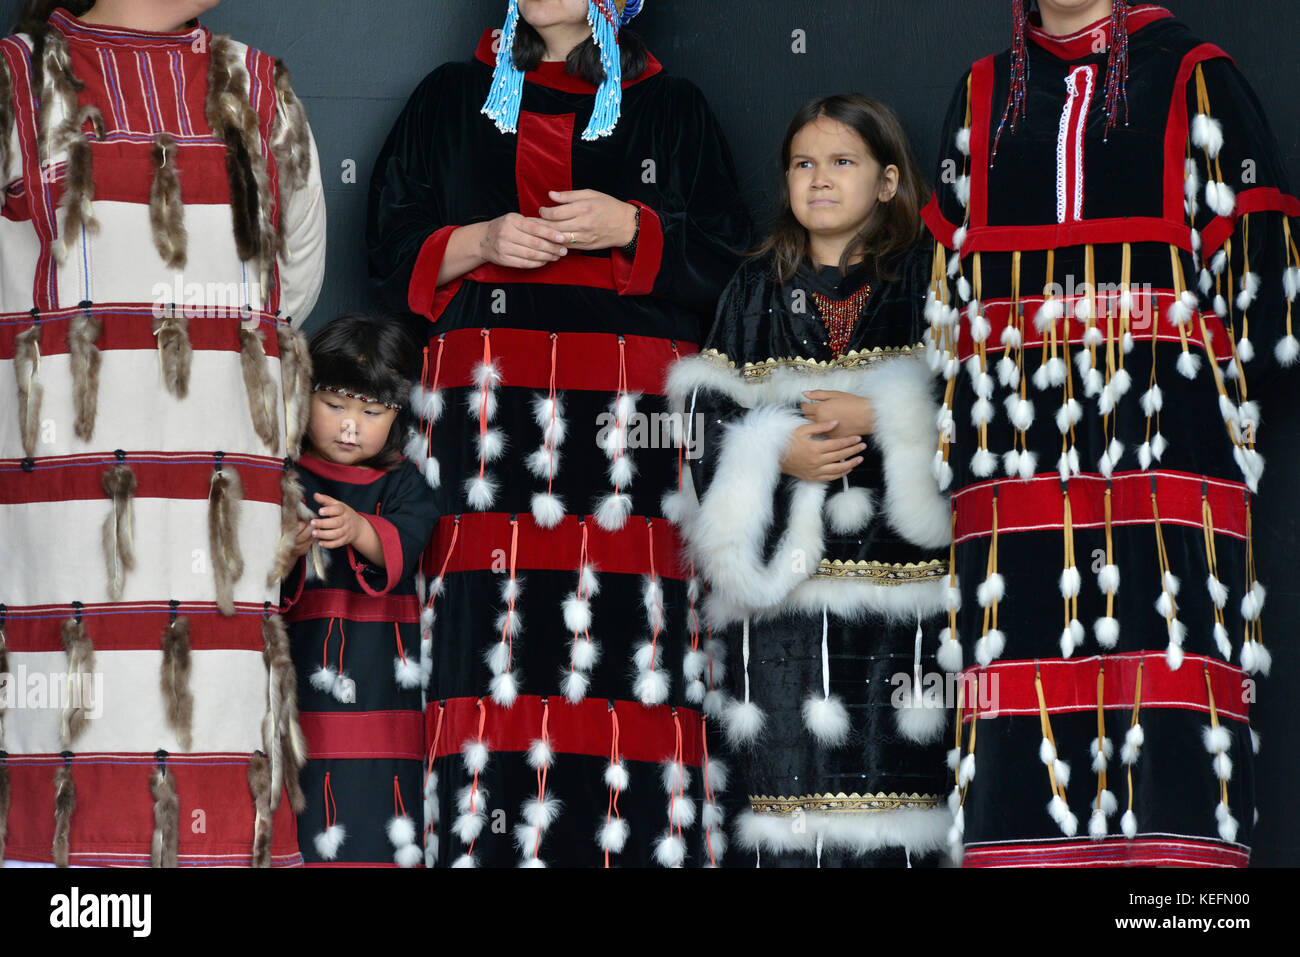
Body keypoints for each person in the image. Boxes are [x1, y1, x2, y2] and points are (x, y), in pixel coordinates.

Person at [367, 0, 751, 867]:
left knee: (629, 635)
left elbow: (730, 264)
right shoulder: (450, 97)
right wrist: (480, 240)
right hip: (487, 422)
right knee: (486, 634)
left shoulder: (672, 107)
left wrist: (632, 229)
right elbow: (388, 250)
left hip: (628, 430)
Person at [923, 0, 1297, 866]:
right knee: (1013, 652)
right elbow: (941, 286)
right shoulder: (984, 92)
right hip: (1010, 451)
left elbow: (1265, 281)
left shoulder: (1197, 73)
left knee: (1163, 660)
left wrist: (1189, 387)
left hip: (1166, 442)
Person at [0, 0, 326, 866]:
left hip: (219, 505)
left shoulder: (259, 87)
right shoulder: (14, 82)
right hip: (64, 519)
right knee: (69, 768)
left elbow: (293, 280)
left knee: (219, 746)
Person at [667, 95, 953, 867]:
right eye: (802, 163)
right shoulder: (756, 288)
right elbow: (703, 415)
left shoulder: (933, 279)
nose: (818, 179)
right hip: (784, 616)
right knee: (788, 791)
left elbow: (983, 403)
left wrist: (886, 413)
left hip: (907, 598)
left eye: (842, 162)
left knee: (902, 784)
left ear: (890, 180)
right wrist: (772, 448)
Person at [277, 315, 441, 867]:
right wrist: (288, 549)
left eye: (372, 412)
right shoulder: (284, 477)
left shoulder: (403, 483)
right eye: (335, 405)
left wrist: (360, 529)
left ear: (396, 416)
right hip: (305, 672)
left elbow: (413, 535)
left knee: (381, 806)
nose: (351, 427)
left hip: (380, 681)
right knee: (306, 792)